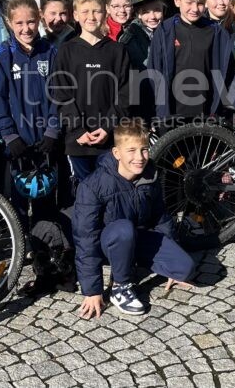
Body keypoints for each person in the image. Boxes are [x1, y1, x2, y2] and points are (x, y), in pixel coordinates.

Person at [73, 120, 195, 318]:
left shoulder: (151, 175)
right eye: (131, 150)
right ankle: (120, 287)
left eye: (144, 150)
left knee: (185, 268)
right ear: (116, 153)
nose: (139, 157)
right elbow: (85, 238)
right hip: (109, 244)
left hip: (136, 239)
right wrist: (92, 290)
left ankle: (136, 263)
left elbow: (161, 218)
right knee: (123, 229)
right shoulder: (92, 186)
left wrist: (171, 261)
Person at [0, 0, 59, 231]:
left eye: (30, 22)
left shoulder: (50, 52)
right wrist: (9, 136)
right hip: (18, 141)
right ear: (9, 23)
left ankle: (45, 247)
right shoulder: (3, 55)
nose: (26, 28)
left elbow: (60, 95)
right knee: (19, 196)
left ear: (39, 19)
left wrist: (52, 131)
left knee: (46, 195)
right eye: (19, 23)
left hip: (46, 141)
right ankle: (22, 244)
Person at [50, 0, 130, 186]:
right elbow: (61, 93)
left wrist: (107, 127)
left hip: (110, 140)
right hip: (78, 142)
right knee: (86, 197)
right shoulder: (66, 51)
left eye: (96, 10)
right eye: (85, 11)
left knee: (111, 192)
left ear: (104, 12)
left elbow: (126, 93)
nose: (91, 16)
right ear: (75, 15)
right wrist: (77, 130)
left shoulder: (118, 51)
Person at [147, 0, 233, 121]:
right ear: (177, 0)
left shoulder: (217, 33)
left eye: (200, 3)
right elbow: (154, 72)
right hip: (172, 113)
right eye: (189, 2)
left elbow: (227, 74)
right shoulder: (164, 31)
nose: (194, 9)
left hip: (207, 114)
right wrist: (161, 112)